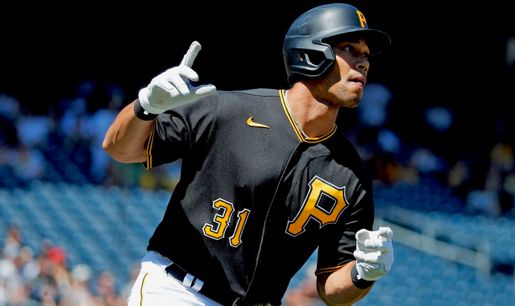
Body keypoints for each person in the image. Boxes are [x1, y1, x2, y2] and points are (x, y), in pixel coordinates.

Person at [102, 3, 394, 305]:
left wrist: (362, 272)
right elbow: (120, 149)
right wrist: (145, 107)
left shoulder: (351, 173)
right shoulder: (229, 111)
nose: (364, 63)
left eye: (367, 55)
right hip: (179, 290)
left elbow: (331, 287)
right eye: (350, 49)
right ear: (311, 51)